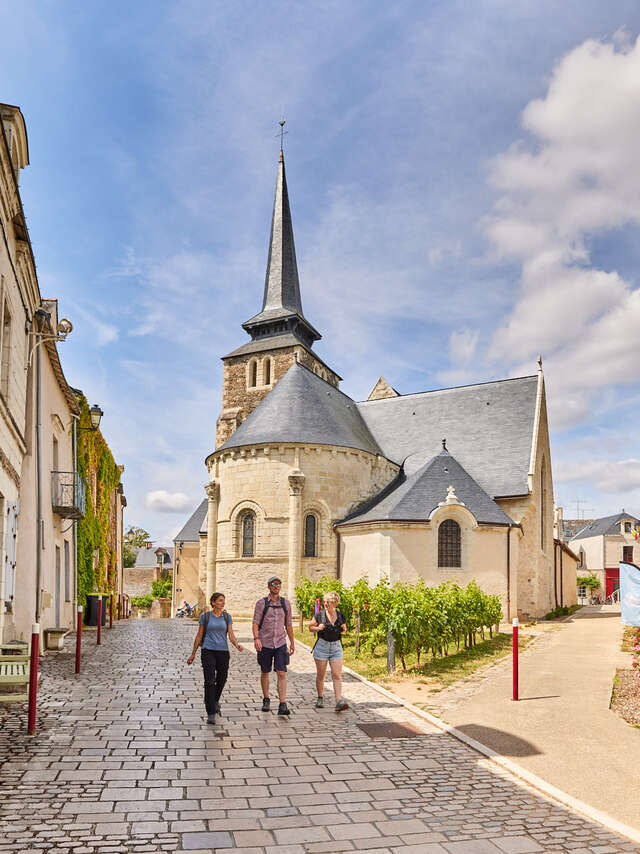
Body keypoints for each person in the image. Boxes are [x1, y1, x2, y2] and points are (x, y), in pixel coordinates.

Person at [187, 592, 243, 724]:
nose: (223, 603)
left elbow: (231, 634)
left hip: (223, 652)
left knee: (222, 679)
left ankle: (215, 699)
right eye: (220, 600)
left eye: (223, 600)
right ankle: (210, 712)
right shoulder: (205, 617)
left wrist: (236, 644)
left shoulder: (227, 617)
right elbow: (199, 636)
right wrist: (193, 653)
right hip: (208, 651)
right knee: (209, 681)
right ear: (213, 602)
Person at [252, 575, 294, 716]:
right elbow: (256, 622)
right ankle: (266, 698)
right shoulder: (261, 603)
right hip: (265, 643)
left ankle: (282, 704)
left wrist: (292, 642)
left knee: (281, 672)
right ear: (269, 586)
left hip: (281, 643)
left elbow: (288, 624)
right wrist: (256, 638)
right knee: (265, 671)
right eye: (274, 584)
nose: (276, 586)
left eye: (278, 584)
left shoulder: (285, 603)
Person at [309, 591, 348, 711]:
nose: (325, 604)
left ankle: (338, 701)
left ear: (335, 603)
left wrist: (343, 629)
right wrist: (318, 628)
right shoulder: (320, 615)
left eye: (328, 602)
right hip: (322, 646)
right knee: (321, 674)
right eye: (325, 601)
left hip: (336, 647)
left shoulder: (340, 615)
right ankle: (320, 697)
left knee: (336, 675)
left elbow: (344, 629)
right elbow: (310, 627)